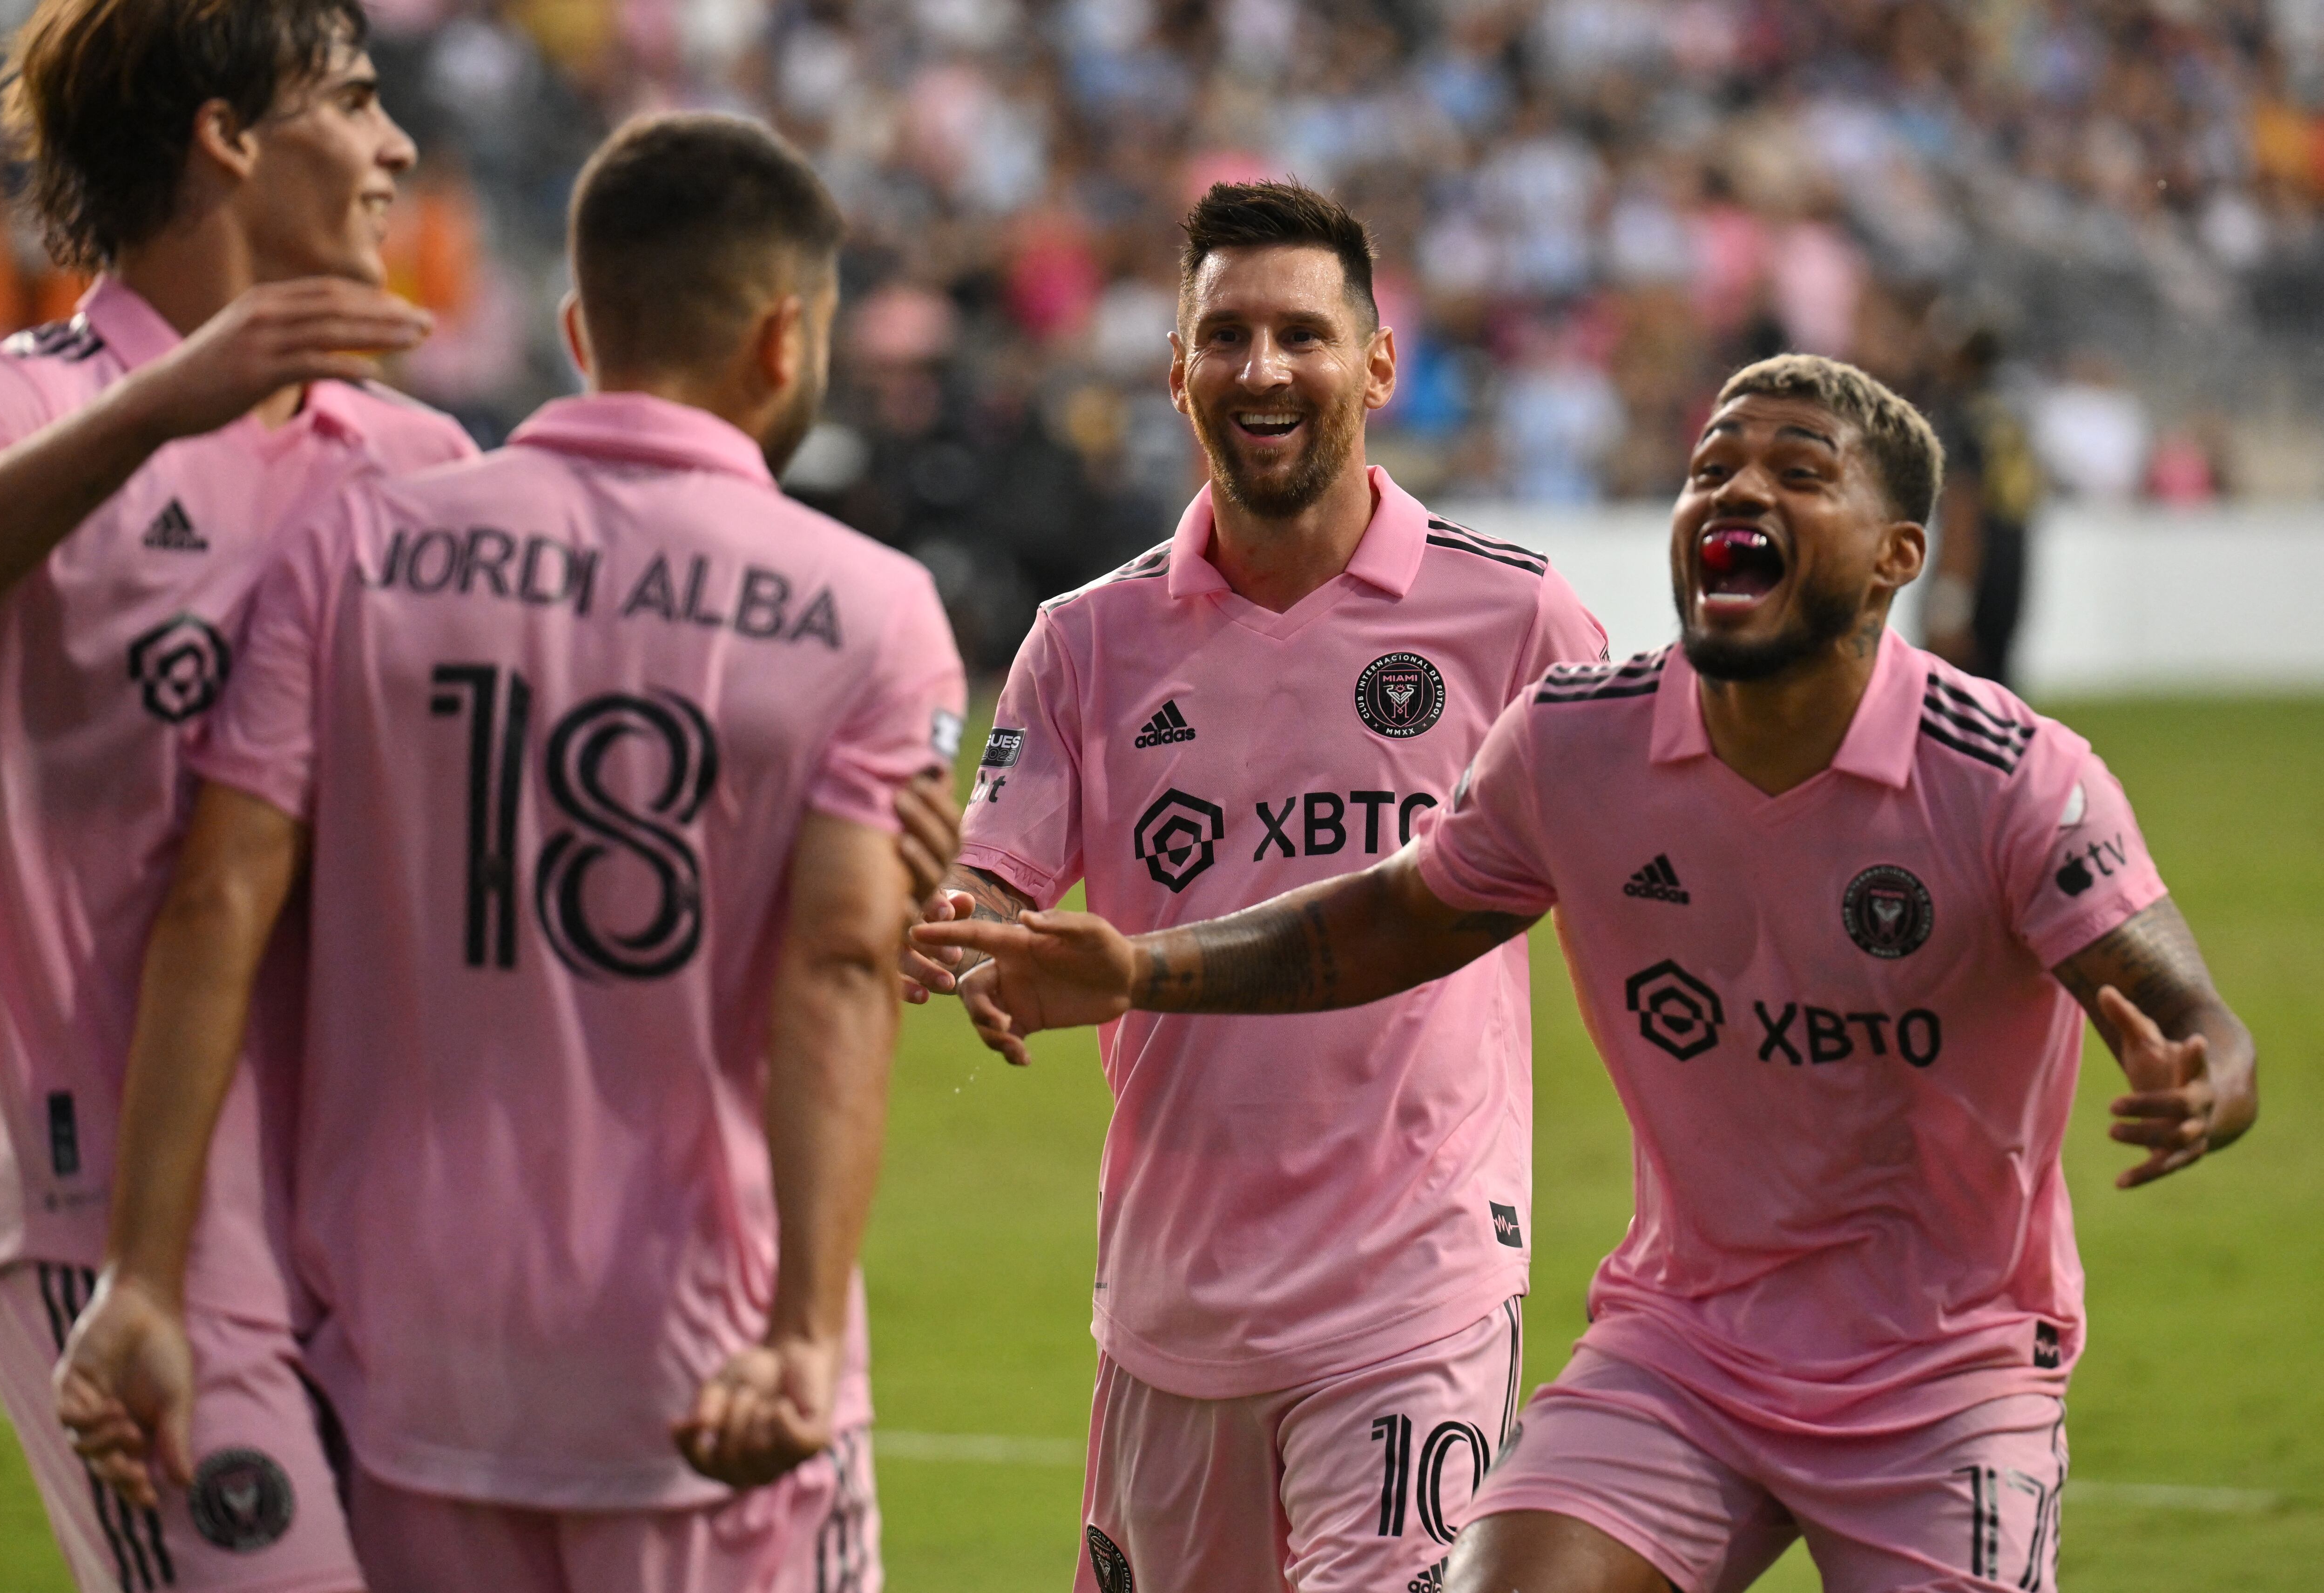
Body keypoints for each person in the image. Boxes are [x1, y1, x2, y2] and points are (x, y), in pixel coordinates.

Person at [916, 354, 2258, 1593]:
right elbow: (1392, 916)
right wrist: (1142, 964)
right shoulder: (1579, 739)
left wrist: (2202, 1069)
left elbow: (2191, 1007)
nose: (1738, 490)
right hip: (1685, 1347)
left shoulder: (2014, 774)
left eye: (1797, 472)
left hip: (1948, 1369)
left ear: (1899, 554)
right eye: (1714, 467)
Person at [55, 112, 966, 1593]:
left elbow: (218, 896)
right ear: (785, 338)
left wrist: (144, 1275)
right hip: (702, 1372)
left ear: (574, 329)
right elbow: (844, 963)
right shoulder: (866, 608)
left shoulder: (357, 552)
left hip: (412, 1368)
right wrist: (801, 1331)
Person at [905, 179, 1605, 1593]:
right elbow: (989, 877)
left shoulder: (1517, 618)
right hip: (1169, 1306)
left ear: (1377, 364)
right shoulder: (1082, 642)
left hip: (1414, 1287)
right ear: (1174, 368)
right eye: (1223, 335)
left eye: (1301, 333)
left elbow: (1661, 879)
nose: (1262, 368)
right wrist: (961, 937)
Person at [0, 3, 476, 1586]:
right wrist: (169, 404)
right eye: (351, 99)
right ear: (226, 140)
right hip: (117, 1210)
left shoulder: (421, 461)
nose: (396, 145)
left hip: (391, 1214)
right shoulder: (44, 407)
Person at [1925, 326, 2043, 688]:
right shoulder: (2010, 412)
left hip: (1974, 567)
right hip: (2012, 564)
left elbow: (1963, 506)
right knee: (1997, 693)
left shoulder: (1961, 414)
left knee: (1952, 701)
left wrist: (1950, 603)